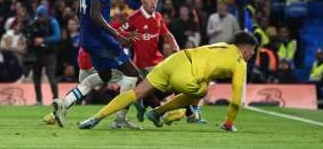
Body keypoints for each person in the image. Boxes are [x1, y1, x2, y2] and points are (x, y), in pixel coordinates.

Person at [78, 31, 257, 131]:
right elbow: (235, 100)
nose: (253, 55)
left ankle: (95, 118)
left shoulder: (221, 46)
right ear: (246, 49)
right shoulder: (240, 62)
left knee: (136, 93)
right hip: (185, 75)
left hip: (175, 60)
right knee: (202, 91)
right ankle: (159, 112)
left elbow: (209, 67)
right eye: (253, 51)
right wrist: (229, 123)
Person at [49, 0, 141, 128]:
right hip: (100, 40)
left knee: (105, 76)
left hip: (88, 39)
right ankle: (120, 120)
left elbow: (78, 11)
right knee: (133, 72)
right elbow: (94, 14)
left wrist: (87, 32)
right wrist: (117, 35)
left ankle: (64, 103)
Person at [28, 4, 61, 105]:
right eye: (39, 17)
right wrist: (33, 40)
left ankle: (55, 99)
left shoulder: (53, 22)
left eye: (41, 17)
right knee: (36, 77)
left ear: (46, 16)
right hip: (37, 53)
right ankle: (39, 100)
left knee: (51, 77)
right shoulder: (34, 23)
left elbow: (57, 36)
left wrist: (44, 39)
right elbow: (29, 36)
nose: (40, 19)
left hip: (49, 53)